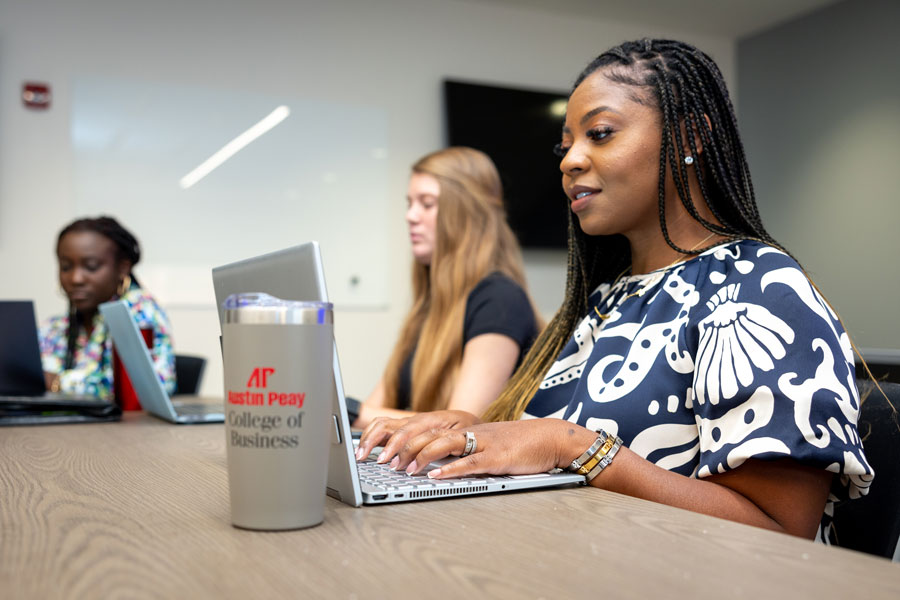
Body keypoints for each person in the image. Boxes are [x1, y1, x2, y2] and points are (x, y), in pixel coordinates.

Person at [357, 39, 873, 541]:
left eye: (599, 133)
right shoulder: (608, 298)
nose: (569, 161)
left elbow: (781, 532)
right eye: (565, 146)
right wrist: (473, 429)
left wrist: (572, 445)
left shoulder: (759, 288)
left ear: (690, 136)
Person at [353, 147, 540, 428]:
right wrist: (350, 413)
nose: (411, 216)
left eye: (427, 204)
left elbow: (461, 427)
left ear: (467, 213)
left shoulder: (500, 300)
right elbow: (373, 411)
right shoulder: (428, 307)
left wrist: (350, 411)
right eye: (410, 203)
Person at [40, 216, 176, 401]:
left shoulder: (139, 311)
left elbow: (153, 386)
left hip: (129, 429)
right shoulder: (55, 327)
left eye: (91, 266)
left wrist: (57, 383)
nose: (75, 279)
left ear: (122, 268)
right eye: (66, 267)